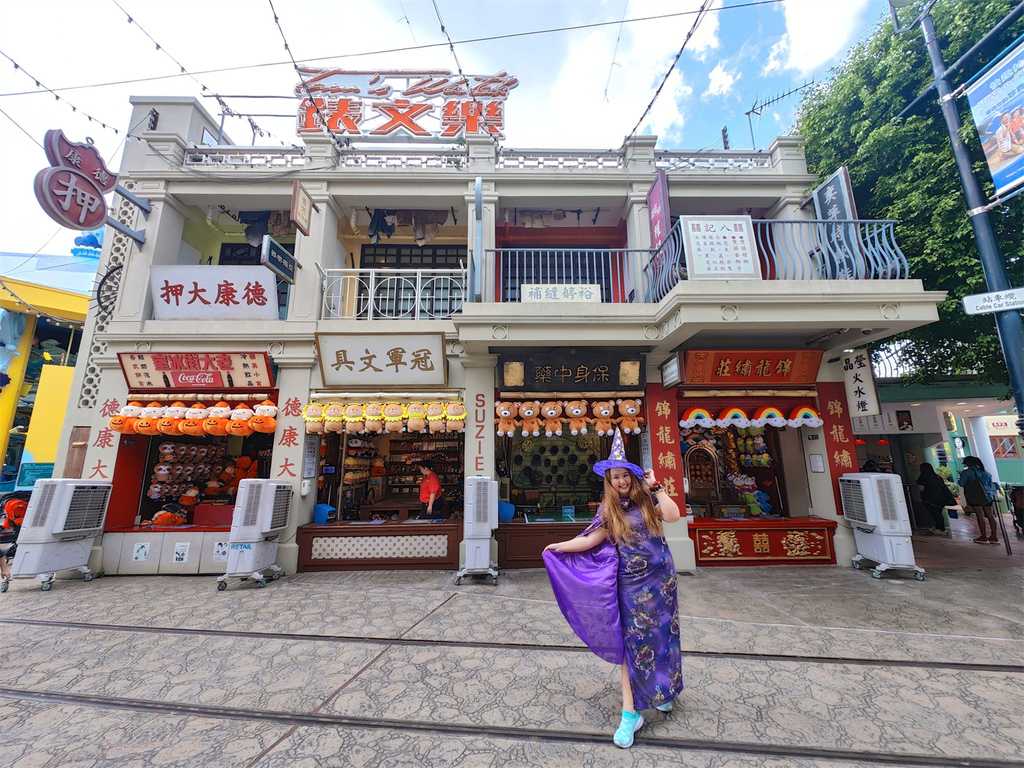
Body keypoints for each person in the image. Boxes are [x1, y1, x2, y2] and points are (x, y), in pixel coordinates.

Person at [542, 429, 682, 749]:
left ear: (633, 477)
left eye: (625, 475)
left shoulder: (648, 500)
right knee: (630, 649)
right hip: (631, 587)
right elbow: (591, 539)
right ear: (609, 481)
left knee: (662, 638)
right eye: (614, 477)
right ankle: (630, 713)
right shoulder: (609, 510)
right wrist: (560, 546)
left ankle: (659, 691)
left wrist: (655, 484)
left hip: (661, 581)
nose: (620, 481)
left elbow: (673, 515)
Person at [958, 456, 1000, 544]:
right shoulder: (987, 473)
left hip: (976, 497)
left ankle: (983, 537)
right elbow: (989, 485)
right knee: (990, 516)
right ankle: (993, 537)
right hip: (988, 497)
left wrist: (961, 475)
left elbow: (961, 483)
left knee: (980, 516)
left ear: (968, 463)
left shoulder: (967, 472)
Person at [915, 462, 952, 534]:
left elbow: (921, 488)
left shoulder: (923, 477)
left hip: (929, 499)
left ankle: (941, 529)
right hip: (941, 498)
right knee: (939, 513)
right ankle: (939, 527)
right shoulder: (937, 476)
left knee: (935, 514)